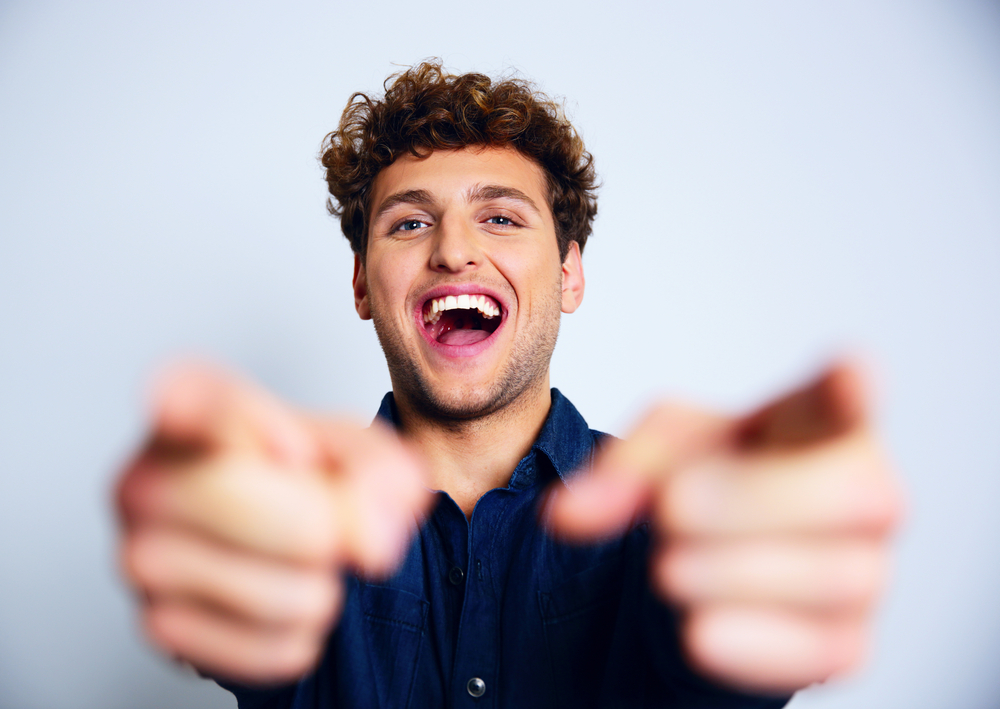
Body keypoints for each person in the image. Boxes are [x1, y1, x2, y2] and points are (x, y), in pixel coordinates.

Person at [116, 61, 902, 708]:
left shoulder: (661, 526)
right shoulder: (304, 523)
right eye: (409, 223)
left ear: (569, 274)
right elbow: (252, 609)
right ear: (361, 284)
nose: (454, 251)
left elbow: (704, 658)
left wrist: (752, 579)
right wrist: (216, 534)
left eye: (500, 218)